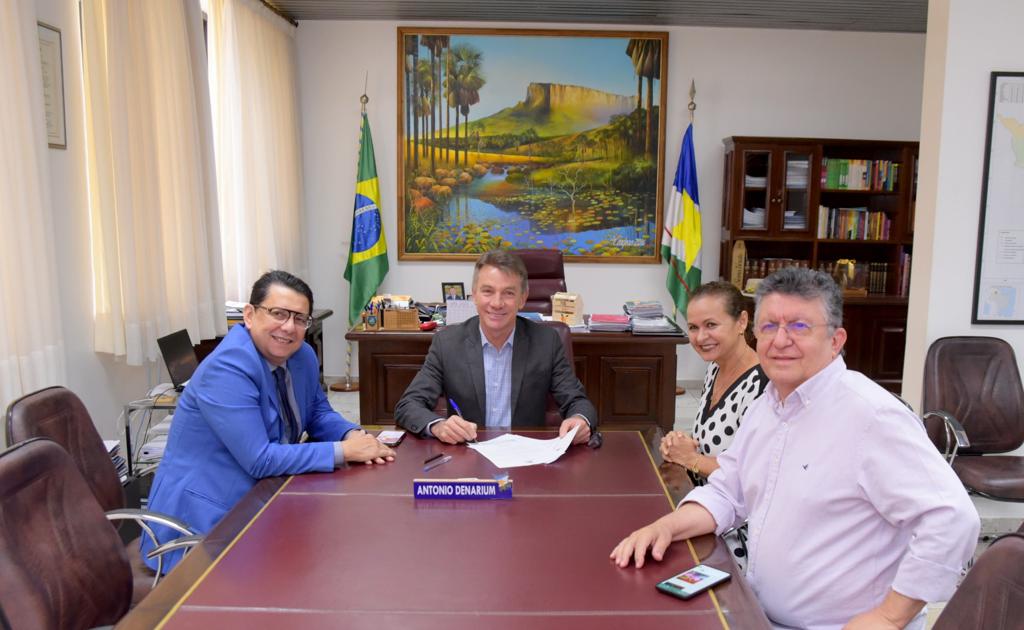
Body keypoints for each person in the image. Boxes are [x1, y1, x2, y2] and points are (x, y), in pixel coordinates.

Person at [610, 267, 979, 630]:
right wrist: (665, 527)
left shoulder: (871, 415)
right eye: (769, 326)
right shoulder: (768, 405)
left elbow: (952, 518)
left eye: (800, 326)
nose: (780, 340)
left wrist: (889, 617)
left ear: (836, 341)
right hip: (759, 613)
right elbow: (730, 489)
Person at [142, 270, 394, 573]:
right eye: (278, 313)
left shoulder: (302, 356)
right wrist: (345, 452)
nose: (289, 327)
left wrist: (352, 434)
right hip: (206, 524)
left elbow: (317, 413)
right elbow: (259, 458)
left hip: (266, 499)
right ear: (249, 315)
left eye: (300, 319)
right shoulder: (227, 368)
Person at [395, 250, 596, 444]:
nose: (497, 303)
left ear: (522, 298)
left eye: (508, 293)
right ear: (474, 295)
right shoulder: (447, 343)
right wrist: (438, 426)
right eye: (488, 291)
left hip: (527, 458)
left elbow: (578, 401)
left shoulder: (546, 342)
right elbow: (408, 405)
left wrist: (580, 419)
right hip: (468, 455)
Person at [661, 281, 767, 484]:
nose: (700, 337)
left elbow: (751, 474)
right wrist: (679, 444)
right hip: (703, 496)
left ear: (742, 322)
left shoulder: (762, 386)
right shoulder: (715, 367)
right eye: (693, 327)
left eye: (711, 325)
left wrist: (689, 458)